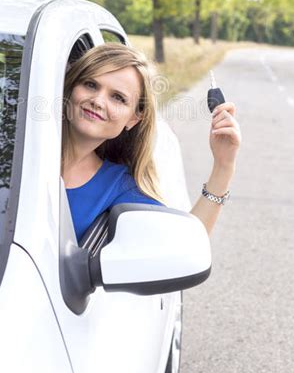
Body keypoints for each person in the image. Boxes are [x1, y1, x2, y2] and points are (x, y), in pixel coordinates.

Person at [61, 43, 241, 241]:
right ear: (71, 87)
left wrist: (223, 167)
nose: (98, 100)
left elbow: (185, 245)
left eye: (118, 98)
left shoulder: (122, 189)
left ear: (134, 118)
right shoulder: (23, 149)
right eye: (90, 84)